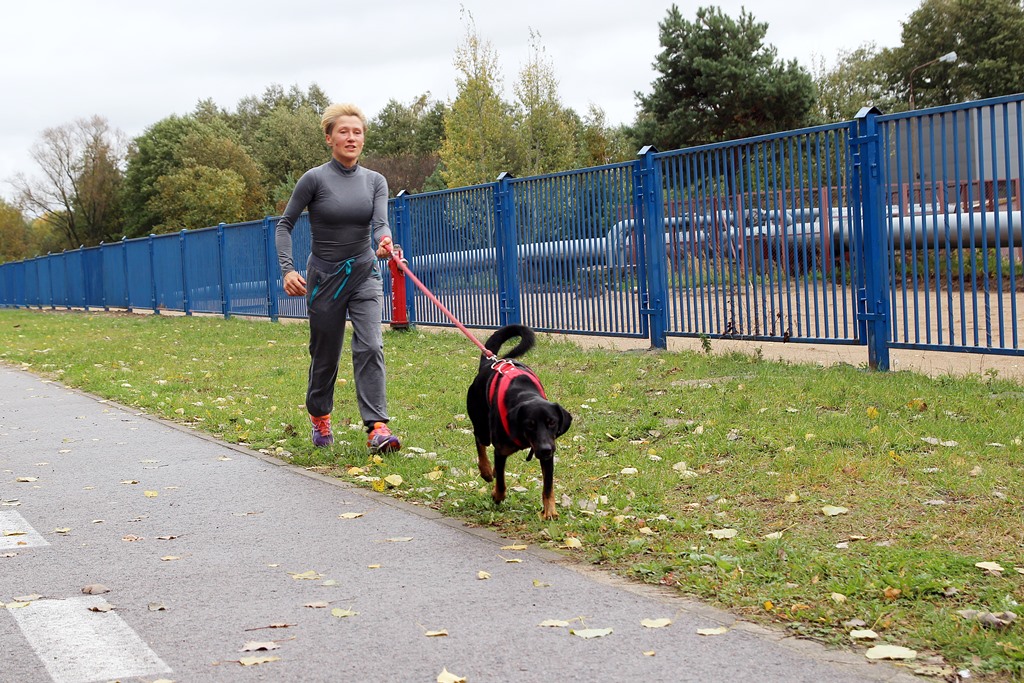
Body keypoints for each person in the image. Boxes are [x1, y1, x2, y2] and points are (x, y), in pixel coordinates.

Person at [275, 102, 401, 452]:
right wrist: (287, 269)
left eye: (357, 132)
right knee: (325, 353)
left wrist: (384, 241)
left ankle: (377, 427)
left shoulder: (375, 181)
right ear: (329, 137)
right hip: (325, 279)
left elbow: (380, 223)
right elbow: (284, 225)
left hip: (363, 273)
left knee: (371, 344)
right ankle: (319, 416)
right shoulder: (314, 179)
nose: (351, 137)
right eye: (343, 131)